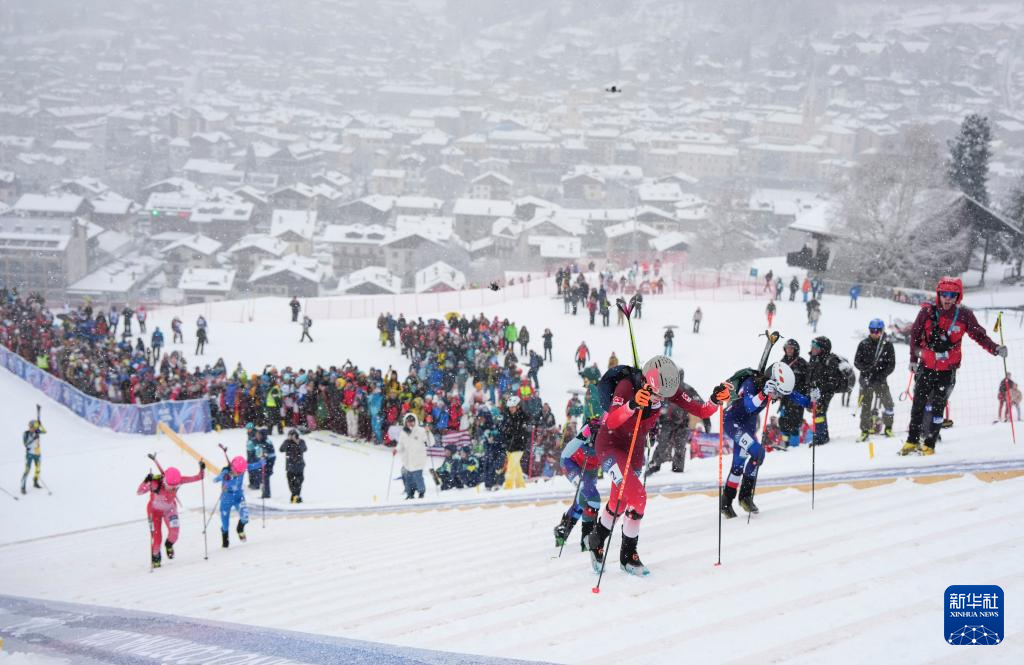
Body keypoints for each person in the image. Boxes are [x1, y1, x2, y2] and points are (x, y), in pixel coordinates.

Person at [585, 356, 724, 576]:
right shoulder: (627, 386)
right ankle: (628, 556)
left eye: (664, 395)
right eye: (658, 394)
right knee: (638, 497)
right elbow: (611, 420)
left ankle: (596, 538)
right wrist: (632, 405)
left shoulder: (667, 388)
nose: (661, 398)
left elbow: (702, 410)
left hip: (635, 449)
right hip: (610, 446)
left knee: (620, 502)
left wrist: (715, 400)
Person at [902, 277, 1005, 456]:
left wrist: (995, 348)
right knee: (918, 406)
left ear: (958, 296)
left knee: (938, 407)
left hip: (947, 371)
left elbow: (979, 336)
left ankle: (929, 444)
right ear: (939, 294)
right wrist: (913, 359)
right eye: (944, 294)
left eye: (952, 295)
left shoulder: (964, 315)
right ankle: (912, 441)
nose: (947, 298)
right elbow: (915, 336)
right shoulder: (927, 312)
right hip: (926, 367)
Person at [721, 362, 815, 518]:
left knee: (739, 464)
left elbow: (793, 395)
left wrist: (811, 401)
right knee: (758, 453)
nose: (779, 397)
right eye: (778, 393)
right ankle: (743, 497)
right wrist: (763, 394)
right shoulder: (751, 383)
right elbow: (749, 406)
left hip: (748, 425)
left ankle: (728, 502)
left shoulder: (775, 386)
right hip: (732, 422)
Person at [137, 460, 204, 568]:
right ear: (164, 481)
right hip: (154, 511)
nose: (172, 488)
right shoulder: (155, 483)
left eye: (176, 486)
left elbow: (199, 477)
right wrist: (146, 481)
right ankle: (156, 557)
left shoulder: (180, 480)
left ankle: (169, 544)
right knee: (157, 539)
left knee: (174, 534)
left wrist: (202, 468)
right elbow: (139, 492)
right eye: (170, 486)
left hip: (170, 509)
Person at [553, 417, 602, 550]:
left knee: (584, 500)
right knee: (591, 497)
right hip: (571, 463)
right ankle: (587, 538)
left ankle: (564, 529)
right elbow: (570, 448)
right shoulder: (594, 427)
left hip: (590, 468)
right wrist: (587, 431)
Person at [854, 319, 896, 440]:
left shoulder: (887, 345)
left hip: (880, 380)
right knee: (865, 406)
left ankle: (888, 427)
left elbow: (891, 364)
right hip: (866, 380)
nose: (875, 333)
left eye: (877, 331)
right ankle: (865, 430)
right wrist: (866, 370)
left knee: (888, 403)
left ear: (882, 331)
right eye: (872, 331)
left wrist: (881, 374)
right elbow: (857, 362)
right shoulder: (863, 344)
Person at [214, 455, 265, 548]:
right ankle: (225, 540)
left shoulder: (243, 468)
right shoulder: (226, 471)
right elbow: (217, 478)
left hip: (238, 497)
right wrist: (223, 477)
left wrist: (261, 463)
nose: (238, 474)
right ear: (233, 467)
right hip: (226, 498)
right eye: (237, 472)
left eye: (241, 472)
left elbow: (252, 466)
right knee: (225, 525)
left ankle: (240, 529)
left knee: (245, 517)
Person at [807, 336, 845, 446]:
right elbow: (810, 374)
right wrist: (810, 387)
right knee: (817, 411)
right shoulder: (814, 358)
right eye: (812, 346)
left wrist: (819, 388)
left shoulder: (830, 360)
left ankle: (821, 437)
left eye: (816, 347)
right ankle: (820, 435)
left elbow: (832, 381)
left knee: (819, 411)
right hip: (815, 391)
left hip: (826, 391)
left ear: (823, 348)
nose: (813, 349)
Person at [776, 339, 809, 449]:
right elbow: (777, 379)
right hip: (784, 400)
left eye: (791, 348)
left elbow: (807, 381)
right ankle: (785, 445)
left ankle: (794, 447)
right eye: (787, 348)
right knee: (783, 424)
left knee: (795, 425)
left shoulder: (802, 363)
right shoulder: (782, 362)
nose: (789, 350)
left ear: (796, 350)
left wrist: (802, 394)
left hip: (797, 400)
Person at [501, 396, 530, 490]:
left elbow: (523, 432)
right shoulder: (508, 416)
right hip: (509, 446)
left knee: (510, 468)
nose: (511, 409)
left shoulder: (523, 417)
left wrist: (514, 431)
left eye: (512, 407)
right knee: (516, 468)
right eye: (509, 407)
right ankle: (520, 486)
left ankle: (508, 487)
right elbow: (503, 429)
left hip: (519, 447)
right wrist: (506, 431)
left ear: (517, 406)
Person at [396, 413, 428, 499]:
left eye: (412, 421)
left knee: (418, 477)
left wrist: (428, 432)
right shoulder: (403, 432)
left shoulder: (421, 431)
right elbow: (400, 444)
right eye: (408, 421)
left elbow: (429, 442)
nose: (410, 423)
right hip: (407, 459)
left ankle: (421, 492)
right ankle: (410, 493)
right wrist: (396, 449)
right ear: (405, 422)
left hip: (418, 459)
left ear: (415, 421)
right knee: (407, 478)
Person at [279, 429, 307, 503]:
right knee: (291, 483)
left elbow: (304, 449)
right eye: (290, 435)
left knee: (298, 482)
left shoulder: (301, 441)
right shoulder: (287, 442)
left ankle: (296, 496)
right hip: (290, 467)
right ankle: (295, 496)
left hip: (299, 466)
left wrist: (297, 442)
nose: (292, 437)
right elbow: (281, 449)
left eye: (293, 435)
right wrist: (288, 441)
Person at [21, 419, 45, 494]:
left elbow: (44, 431)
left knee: (38, 469)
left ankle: (35, 481)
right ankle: (23, 487)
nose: (32, 429)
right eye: (31, 427)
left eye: (34, 427)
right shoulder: (26, 433)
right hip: (29, 455)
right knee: (27, 470)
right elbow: (25, 444)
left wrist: (41, 425)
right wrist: (33, 438)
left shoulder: (37, 431)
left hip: (37, 454)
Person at [260, 429, 276, 499]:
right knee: (264, 477)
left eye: (260, 434)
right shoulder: (263, 441)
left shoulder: (267, 442)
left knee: (266, 476)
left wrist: (265, 455)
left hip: (269, 461)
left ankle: (266, 493)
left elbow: (271, 453)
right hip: (266, 460)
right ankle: (265, 492)